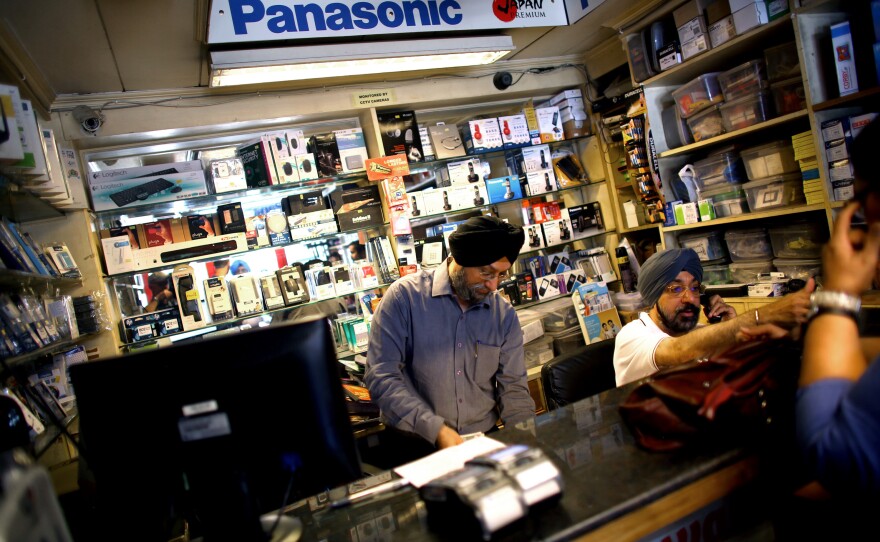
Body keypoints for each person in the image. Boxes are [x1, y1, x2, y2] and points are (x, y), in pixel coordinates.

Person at [365, 216, 535, 461]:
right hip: (416, 445)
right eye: (486, 273)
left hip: (483, 440)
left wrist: (525, 439)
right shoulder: (404, 298)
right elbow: (380, 376)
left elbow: (513, 387)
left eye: (501, 275)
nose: (493, 285)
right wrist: (436, 429)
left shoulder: (503, 315)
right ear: (459, 260)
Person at [612, 248, 814, 386]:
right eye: (675, 289)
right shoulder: (633, 335)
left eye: (694, 288)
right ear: (654, 297)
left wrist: (731, 330)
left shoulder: (700, 331)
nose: (689, 298)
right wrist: (765, 315)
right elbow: (679, 350)